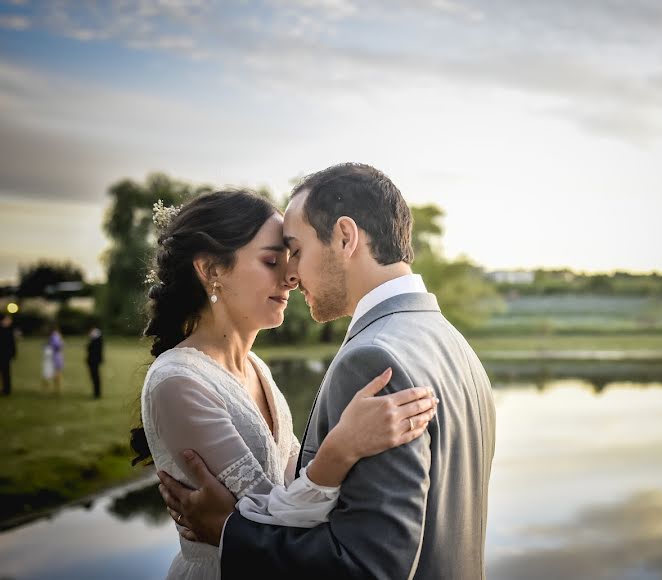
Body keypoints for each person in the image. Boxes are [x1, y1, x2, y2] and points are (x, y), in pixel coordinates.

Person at [159, 163, 497, 579]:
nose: (292, 275)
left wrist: (229, 531)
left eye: (296, 251)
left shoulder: (373, 360)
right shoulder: (452, 343)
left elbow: (365, 566)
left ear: (344, 236)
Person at [86, 325, 104, 399]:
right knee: (95, 377)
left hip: (94, 361)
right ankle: (96, 393)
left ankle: (97, 393)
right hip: (94, 361)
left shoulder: (96, 341)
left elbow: (90, 349)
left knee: (95, 377)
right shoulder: (98, 341)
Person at [0, 314, 14, 396]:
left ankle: (6, 389)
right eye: (8, 319)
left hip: (6, 356)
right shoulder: (2, 330)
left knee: (6, 373)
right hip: (2, 355)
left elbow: (12, 344)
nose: (10, 321)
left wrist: (12, 354)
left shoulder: (9, 330)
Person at [48, 326, 64, 394]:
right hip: (56, 356)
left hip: (54, 355)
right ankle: (57, 388)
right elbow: (58, 346)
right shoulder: (56, 336)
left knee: (56, 372)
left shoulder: (52, 336)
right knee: (57, 372)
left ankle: (56, 388)